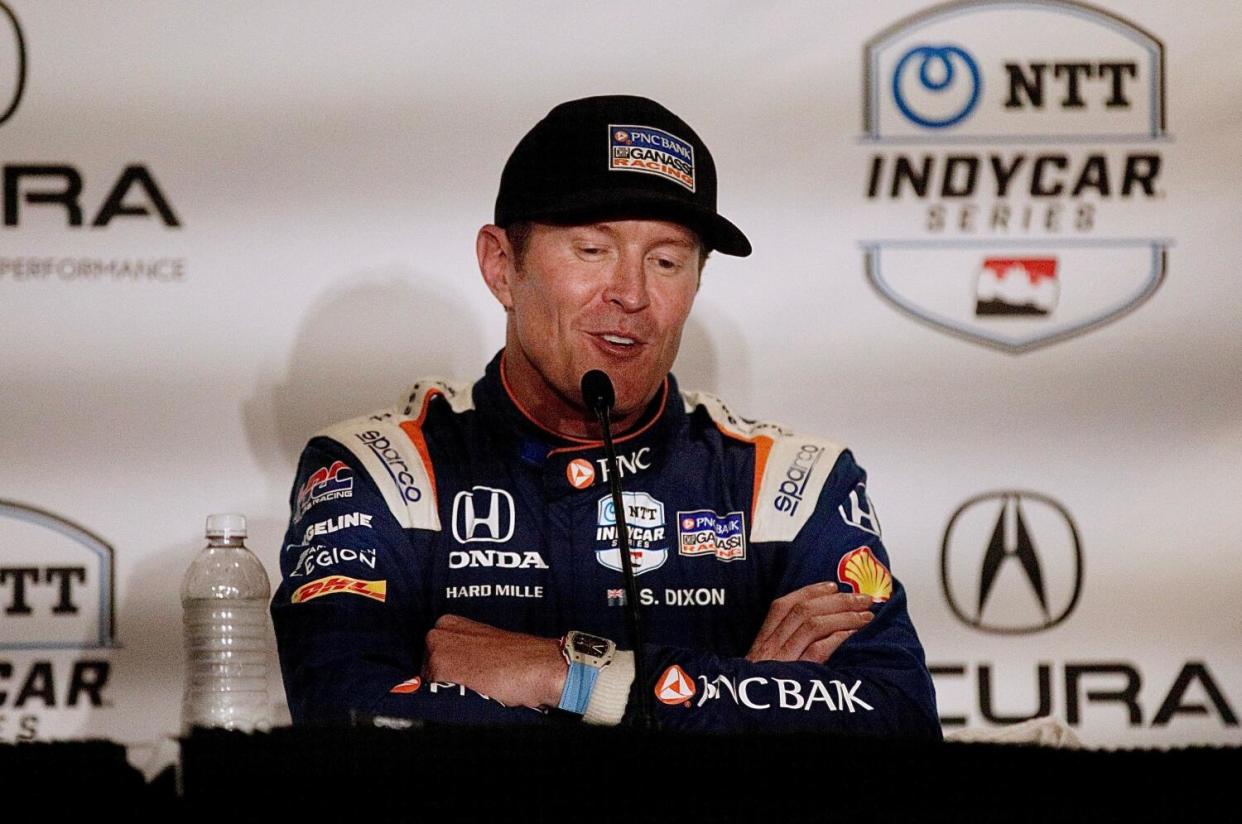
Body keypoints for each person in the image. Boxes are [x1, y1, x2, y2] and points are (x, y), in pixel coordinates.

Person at [271, 95, 940, 735]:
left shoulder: (795, 483)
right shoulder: (380, 471)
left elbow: (898, 719)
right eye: (593, 250)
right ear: (502, 267)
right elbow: (345, 715)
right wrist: (744, 698)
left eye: (667, 260)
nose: (631, 294)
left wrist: (577, 681)